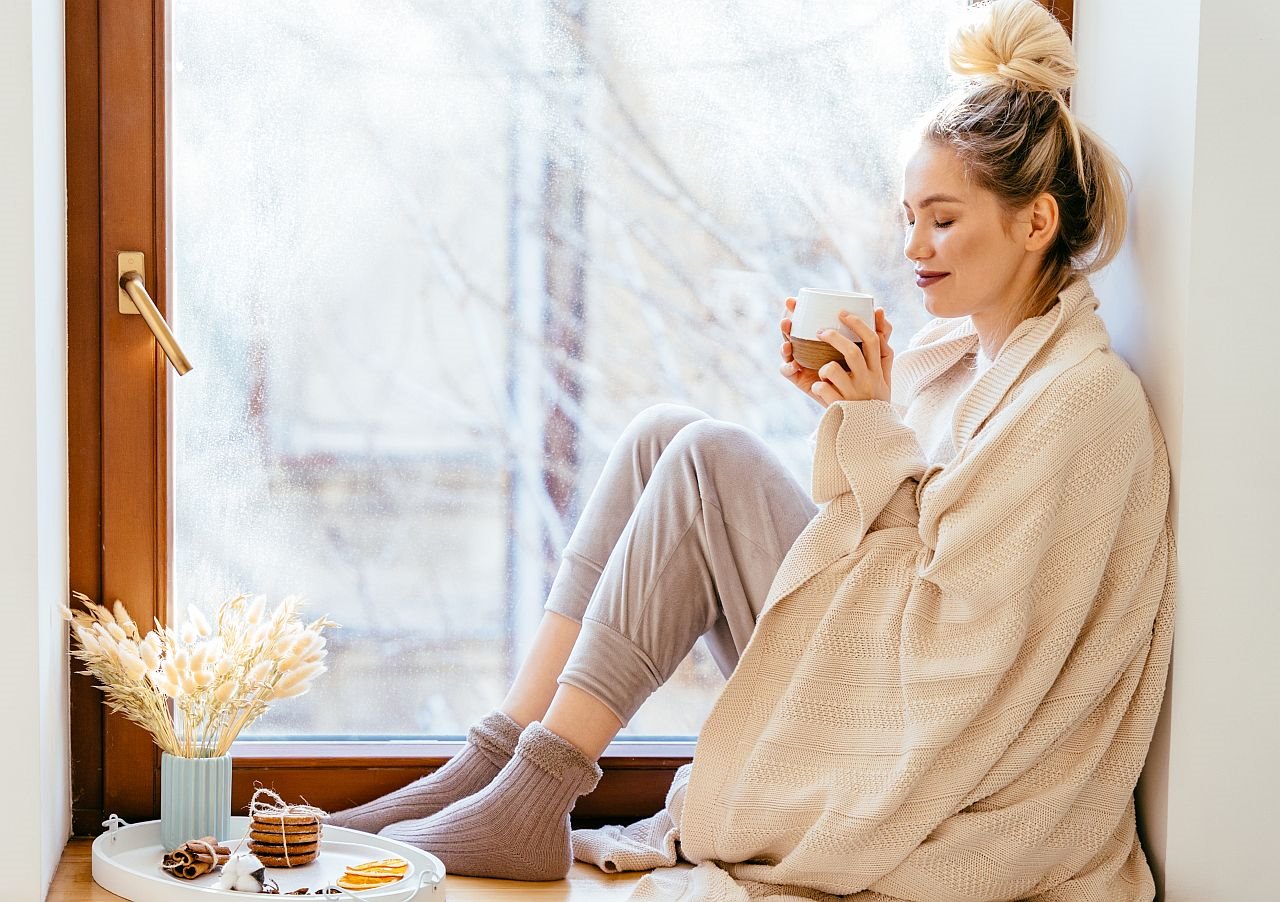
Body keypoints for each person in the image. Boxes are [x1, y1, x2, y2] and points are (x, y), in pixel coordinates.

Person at [328, 1, 1176, 898]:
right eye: (906, 216)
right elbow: (886, 533)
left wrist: (868, 424)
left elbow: (958, 643)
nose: (912, 246)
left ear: (1036, 222)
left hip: (923, 730)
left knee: (708, 458)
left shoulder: (1077, 400)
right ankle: (494, 761)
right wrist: (852, 412)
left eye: (940, 219)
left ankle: (533, 795)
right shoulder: (957, 358)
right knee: (665, 435)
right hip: (880, 658)